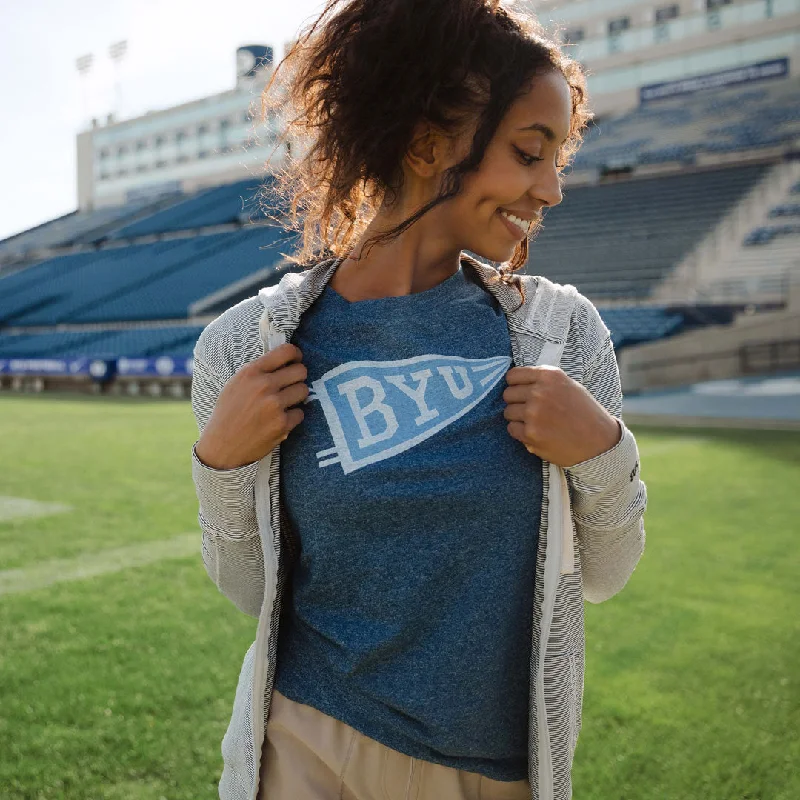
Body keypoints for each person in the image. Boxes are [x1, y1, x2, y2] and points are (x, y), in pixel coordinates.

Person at [189, 1, 648, 799]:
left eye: (557, 159)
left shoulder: (563, 335)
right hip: (302, 746)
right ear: (427, 140)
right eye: (529, 152)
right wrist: (220, 465)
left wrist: (604, 456)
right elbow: (250, 593)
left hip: (487, 773)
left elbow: (607, 575)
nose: (552, 190)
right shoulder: (244, 347)